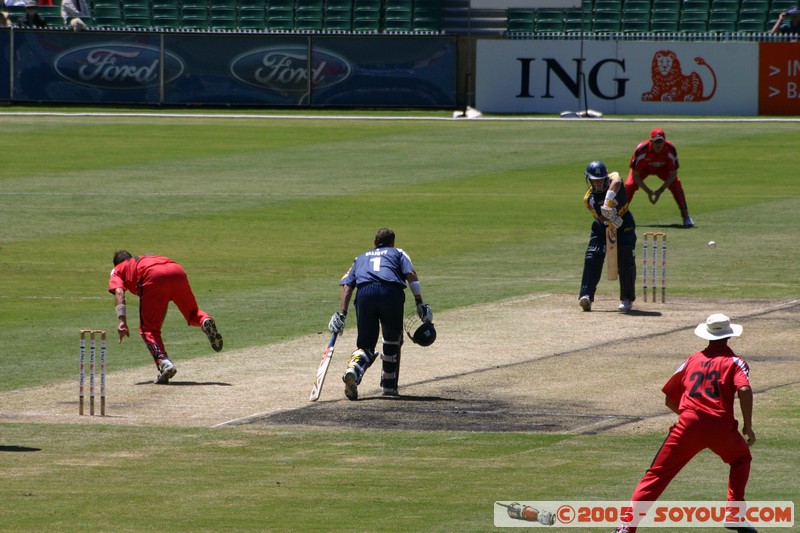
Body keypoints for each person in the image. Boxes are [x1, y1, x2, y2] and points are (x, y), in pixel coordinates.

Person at [611, 314, 756, 533]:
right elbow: (744, 389)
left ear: (708, 336)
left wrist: (692, 416)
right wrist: (748, 425)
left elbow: (670, 398)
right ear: (728, 337)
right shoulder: (735, 362)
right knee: (741, 458)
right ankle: (735, 514)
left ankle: (626, 527)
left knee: (657, 475)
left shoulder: (691, 360)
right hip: (721, 426)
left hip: (688, 425)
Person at [327, 228, 432, 400]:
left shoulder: (360, 257)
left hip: (365, 294)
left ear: (374, 242)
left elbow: (347, 285)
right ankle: (389, 387)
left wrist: (342, 313)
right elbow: (410, 274)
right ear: (393, 243)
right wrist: (419, 301)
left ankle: (353, 370)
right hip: (390, 293)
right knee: (392, 340)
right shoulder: (398, 252)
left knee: (366, 345)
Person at [108, 250, 223, 384]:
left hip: (153, 276)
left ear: (116, 264)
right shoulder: (143, 260)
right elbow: (161, 303)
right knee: (192, 313)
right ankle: (204, 321)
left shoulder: (118, 269)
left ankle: (164, 363)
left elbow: (119, 292)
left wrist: (122, 321)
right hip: (176, 270)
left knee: (148, 330)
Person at [579, 161, 637, 312]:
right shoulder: (589, 198)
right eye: (594, 180)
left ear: (605, 178)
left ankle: (627, 298)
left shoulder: (613, 177)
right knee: (593, 255)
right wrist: (608, 219)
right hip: (602, 226)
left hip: (624, 222)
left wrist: (607, 203)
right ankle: (586, 296)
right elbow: (601, 219)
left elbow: (617, 182)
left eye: (600, 179)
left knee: (625, 256)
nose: (598, 183)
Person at [625, 128, 694, 228]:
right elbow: (635, 175)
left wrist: (660, 190)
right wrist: (648, 191)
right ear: (651, 141)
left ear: (664, 141)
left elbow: (673, 174)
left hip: (663, 169)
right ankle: (619, 215)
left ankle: (686, 216)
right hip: (643, 169)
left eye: (660, 141)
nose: (658, 144)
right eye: (656, 141)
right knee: (629, 185)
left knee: (676, 184)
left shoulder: (670, 150)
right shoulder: (641, 150)